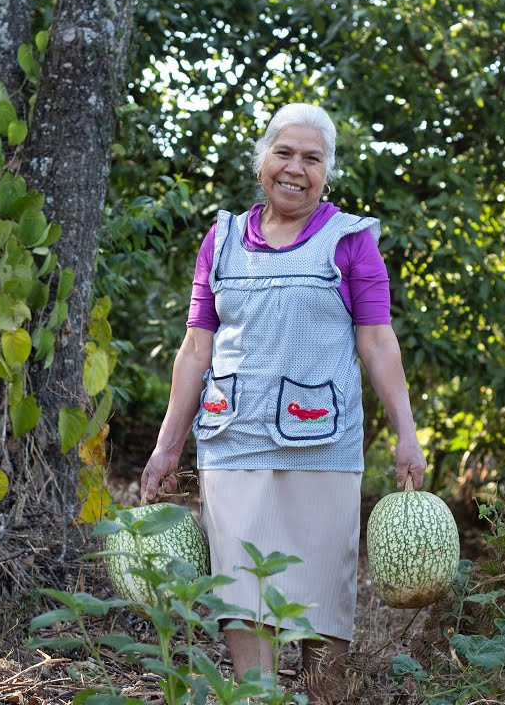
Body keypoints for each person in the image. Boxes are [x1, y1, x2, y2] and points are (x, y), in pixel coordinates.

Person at [138, 103, 427, 701]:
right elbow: (196, 348)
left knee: (320, 589)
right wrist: (168, 447)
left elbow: (376, 343)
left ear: (327, 173)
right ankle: (256, 695)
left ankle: (322, 696)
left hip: (323, 441)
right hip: (231, 436)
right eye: (284, 153)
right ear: (262, 161)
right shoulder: (220, 241)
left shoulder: (350, 243)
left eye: (312, 159)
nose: (296, 169)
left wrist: (406, 432)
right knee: (243, 589)